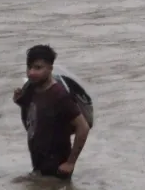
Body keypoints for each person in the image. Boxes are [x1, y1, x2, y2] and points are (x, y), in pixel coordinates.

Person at [12, 45, 91, 180]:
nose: (31, 72)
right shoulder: (32, 88)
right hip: (39, 165)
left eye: (38, 68)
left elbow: (83, 127)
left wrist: (70, 163)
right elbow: (35, 118)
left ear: (50, 68)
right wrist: (20, 101)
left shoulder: (59, 96)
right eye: (29, 67)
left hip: (57, 169)